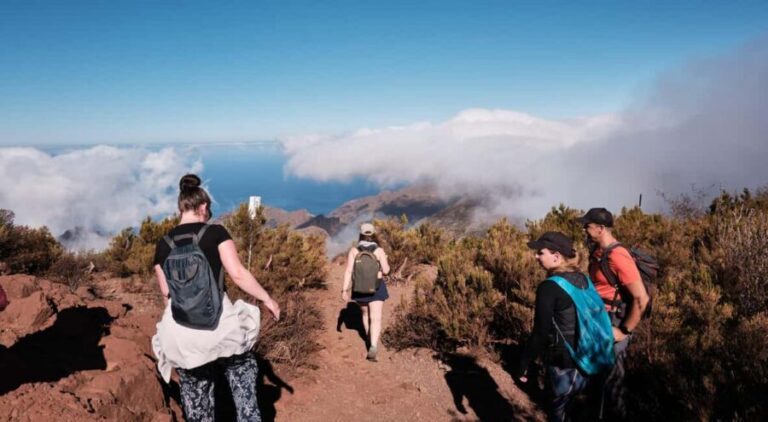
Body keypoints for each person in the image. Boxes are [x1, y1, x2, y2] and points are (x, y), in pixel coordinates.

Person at [151, 174, 280, 422]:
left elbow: (167, 295)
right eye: (208, 210)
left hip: (181, 333)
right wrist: (267, 299)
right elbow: (239, 275)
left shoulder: (162, 245)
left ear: (181, 208)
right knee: (243, 371)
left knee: (196, 401)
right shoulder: (216, 233)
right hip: (220, 326)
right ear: (203, 207)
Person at [518, 231, 603, 422]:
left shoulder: (549, 287)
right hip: (589, 359)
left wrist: (525, 361)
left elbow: (540, 332)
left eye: (541, 252)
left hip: (563, 362)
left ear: (556, 257)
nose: (536, 256)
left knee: (558, 414)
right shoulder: (583, 279)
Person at [577, 207, 649, 419]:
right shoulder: (599, 253)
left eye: (587, 226)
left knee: (612, 383)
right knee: (598, 381)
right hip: (600, 320)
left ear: (600, 228)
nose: (584, 229)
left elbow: (641, 298)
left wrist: (624, 331)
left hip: (613, 321)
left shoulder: (618, 256)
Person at [341, 222, 390, 362]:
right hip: (377, 287)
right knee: (376, 318)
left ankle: (369, 340)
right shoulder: (379, 250)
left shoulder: (354, 250)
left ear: (361, 234)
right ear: (372, 233)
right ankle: (373, 346)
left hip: (359, 288)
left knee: (365, 314)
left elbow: (349, 271)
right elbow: (386, 271)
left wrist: (344, 290)